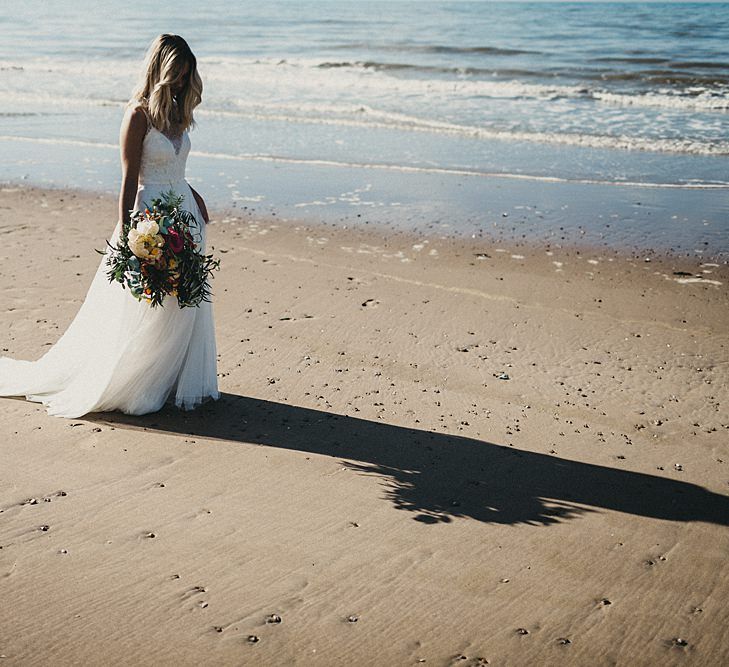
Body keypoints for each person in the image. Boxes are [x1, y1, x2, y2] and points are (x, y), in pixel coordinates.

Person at [0, 34, 220, 418]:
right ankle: (137, 379)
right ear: (161, 70)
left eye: (187, 76)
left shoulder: (176, 112)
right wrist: (127, 236)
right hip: (150, 216)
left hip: (185, 213)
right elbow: (129, 178)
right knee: (146, 300)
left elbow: (175, 166)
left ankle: (170, 378)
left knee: (180, 298)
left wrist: (194, 193)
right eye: (177, 75)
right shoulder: (137, 115)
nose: (182, 83)